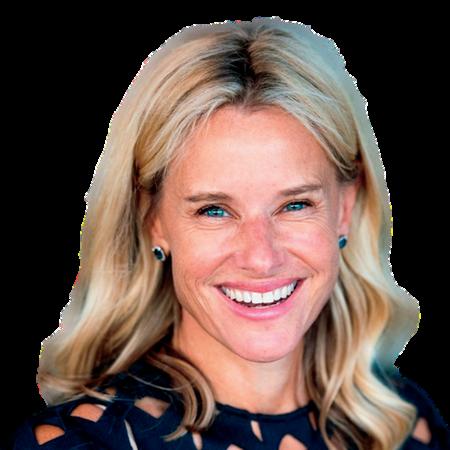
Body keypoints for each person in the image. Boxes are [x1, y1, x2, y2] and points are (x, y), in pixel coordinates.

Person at [11, 18, 449, 449]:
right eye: (214, 211)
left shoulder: (406, 428)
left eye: (295, 205)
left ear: (345, 208)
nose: (261, 257)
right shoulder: (77, 443)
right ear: (153, 221)